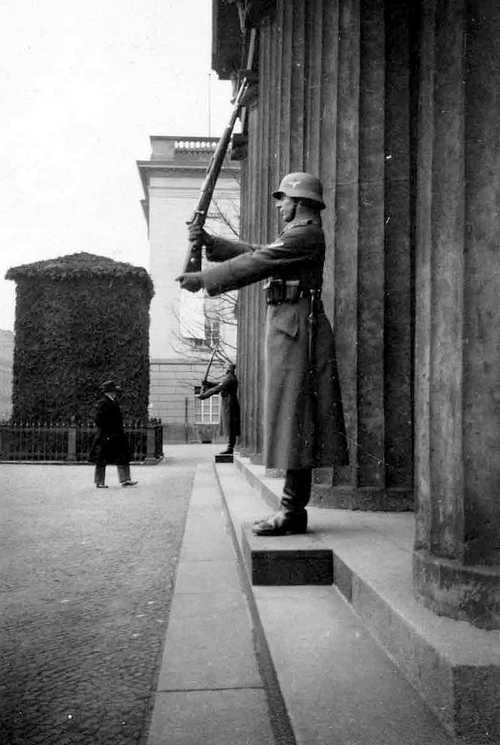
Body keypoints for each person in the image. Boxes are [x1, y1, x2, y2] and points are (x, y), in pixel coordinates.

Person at [176, 171, 348, 535]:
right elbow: (263, 252)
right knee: (292, 416)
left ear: (299, 201)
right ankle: (291, 510)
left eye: (283, 199)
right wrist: (215, 243)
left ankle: (291, 512)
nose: (280, 205)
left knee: (293, 416)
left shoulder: (304, 233)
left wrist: (205, 279)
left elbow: (261, 261)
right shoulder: (300, 233)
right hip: (292, 324)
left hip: (296, 326)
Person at [89, 380, 138, 488]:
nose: (116, 393)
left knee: (122, 456)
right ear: (110, 392)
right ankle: (99, 482)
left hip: (116, 435)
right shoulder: (103, 403)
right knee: (101, 459)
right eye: (114, 391)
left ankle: (125, 479)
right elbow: (98, 419)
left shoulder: (112, 402)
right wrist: (107, 431)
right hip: (106, 435)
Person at [198, 363, 241, 455]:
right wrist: (208, 383)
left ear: (229, 369)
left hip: (230, 404)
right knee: (230, 426)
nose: (225, 369)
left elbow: (218, 388)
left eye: (226, 367)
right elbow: (219, 384)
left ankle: (230, 448)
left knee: (230, 426)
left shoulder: (229, 378)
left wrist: (204, 395)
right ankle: (230, 447)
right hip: (229, 403)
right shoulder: (230, 378)